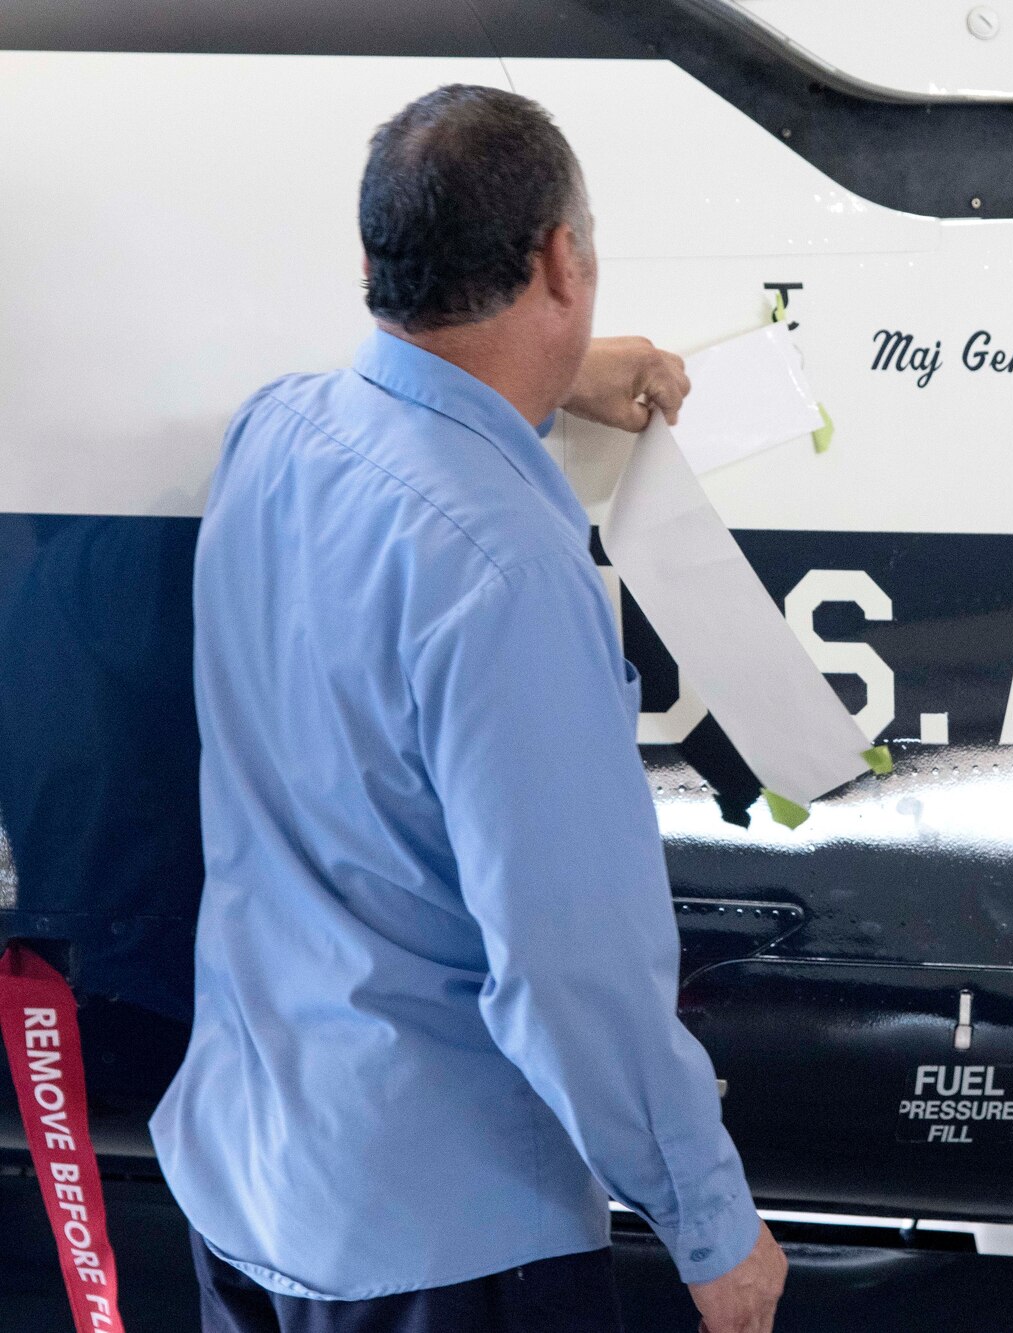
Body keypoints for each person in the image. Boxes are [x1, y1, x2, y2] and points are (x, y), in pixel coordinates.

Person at [147, 84, 787, 1333]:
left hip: (245, 1182)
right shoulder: (508, 572)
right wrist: (710, 1220)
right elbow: (567, 967)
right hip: (438, 1249)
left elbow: (414, 407)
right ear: (560, 259)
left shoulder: (273, 436)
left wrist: (547, 382)